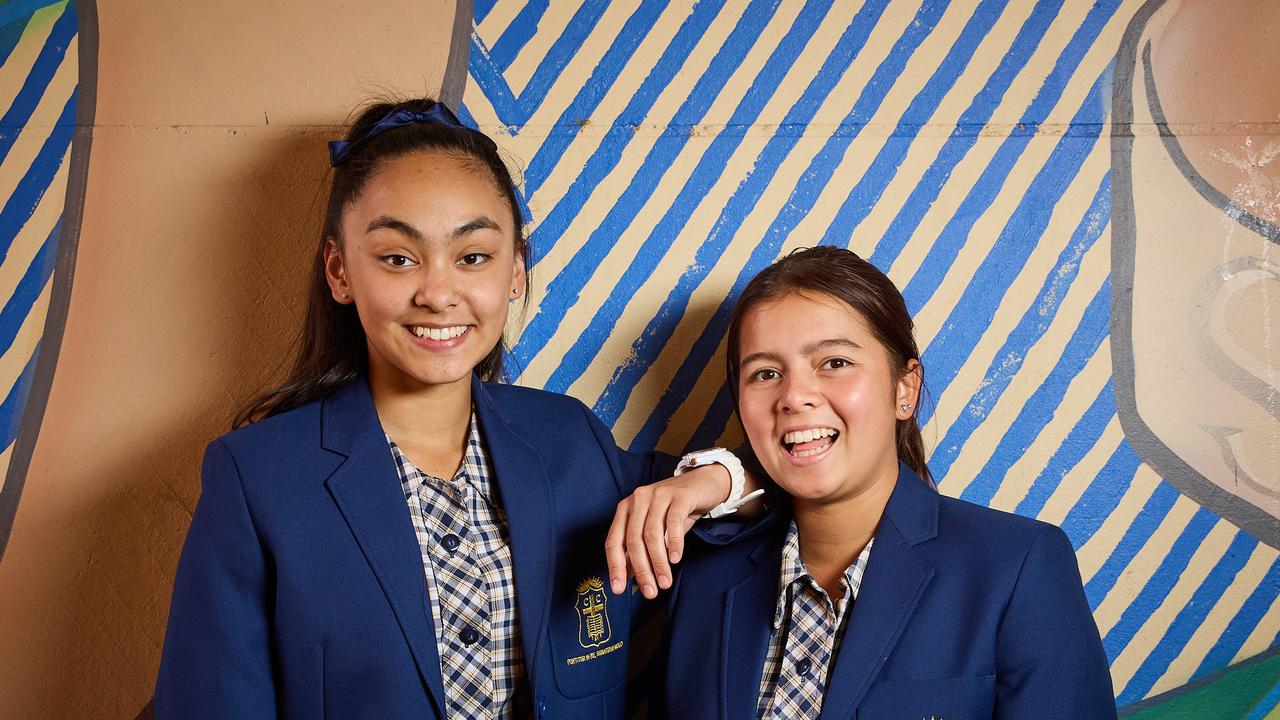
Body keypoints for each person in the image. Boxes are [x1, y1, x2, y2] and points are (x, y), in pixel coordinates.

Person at [153, 97, 755, 720]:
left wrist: (714, 480)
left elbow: (767, 502)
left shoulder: (569, 441)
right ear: (339, 271)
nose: (438, 293)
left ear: (516, 270)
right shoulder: (258, 480)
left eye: (472, 257)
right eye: (397, 258)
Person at [646, 246, 1116, 718]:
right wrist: (723, 476)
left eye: (834, 363)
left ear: (904, 389)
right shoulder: (702, 571)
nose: (794, 397)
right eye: (765, 373)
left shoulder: (1017, 567)